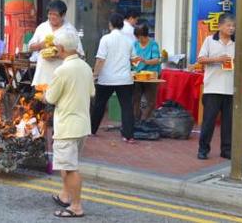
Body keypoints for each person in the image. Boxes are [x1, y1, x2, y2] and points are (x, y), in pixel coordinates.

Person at [45, 31, 95, 218]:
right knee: (67, 164)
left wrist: (44, 93)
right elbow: (90, 92)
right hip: (82, 124)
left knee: (71, 168)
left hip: (66, 125)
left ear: (61, 48)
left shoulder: (62, 70)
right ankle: (65, 195)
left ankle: (76, 206)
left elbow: (50, 97)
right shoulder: (85, 67)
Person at [91, 13, 139, 143]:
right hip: (124, 79)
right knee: (127, 107)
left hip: (106, 78)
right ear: (122, 25)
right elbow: (135, 60)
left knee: (99, 105)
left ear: (110, 25)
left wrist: (94, 75)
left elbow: (100, 60)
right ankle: (128, 136)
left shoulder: (105, 39)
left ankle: (92, 130)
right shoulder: (129, 41)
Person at [197, 13, 236, 160]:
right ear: (220, 26)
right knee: (209, 121)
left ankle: (226, 150)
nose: (231, 28)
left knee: (228, 123)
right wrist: (217, 59)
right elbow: (200, 59)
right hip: (212, 87)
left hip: (230, 88)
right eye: (228, 25)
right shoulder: (209, 40)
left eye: (233, 26)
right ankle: (203, 149)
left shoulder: (236, 43)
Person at [29, 0, 84, 86]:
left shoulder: (70, 30)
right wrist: (40, 45)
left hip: (62, 77)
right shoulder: (42, 27)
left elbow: (79, 54)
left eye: (55, 15)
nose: (52, 17)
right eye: (50, 14)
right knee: (41, 98)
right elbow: (31, 47)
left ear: (63, 15)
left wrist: (61, 53)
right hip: (42, 76)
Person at [132, 24, 161, 122]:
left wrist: (145, 61)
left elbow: (157, 59)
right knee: (135, 99)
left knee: (151, 101)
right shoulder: (135, 44)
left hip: (151, 76)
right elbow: (131, 57)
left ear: (144, 36)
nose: (138, 39)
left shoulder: (153, 44)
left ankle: (144, 121)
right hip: (138, 75)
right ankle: (136, 120)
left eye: (139, 37)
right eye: (137, 37)